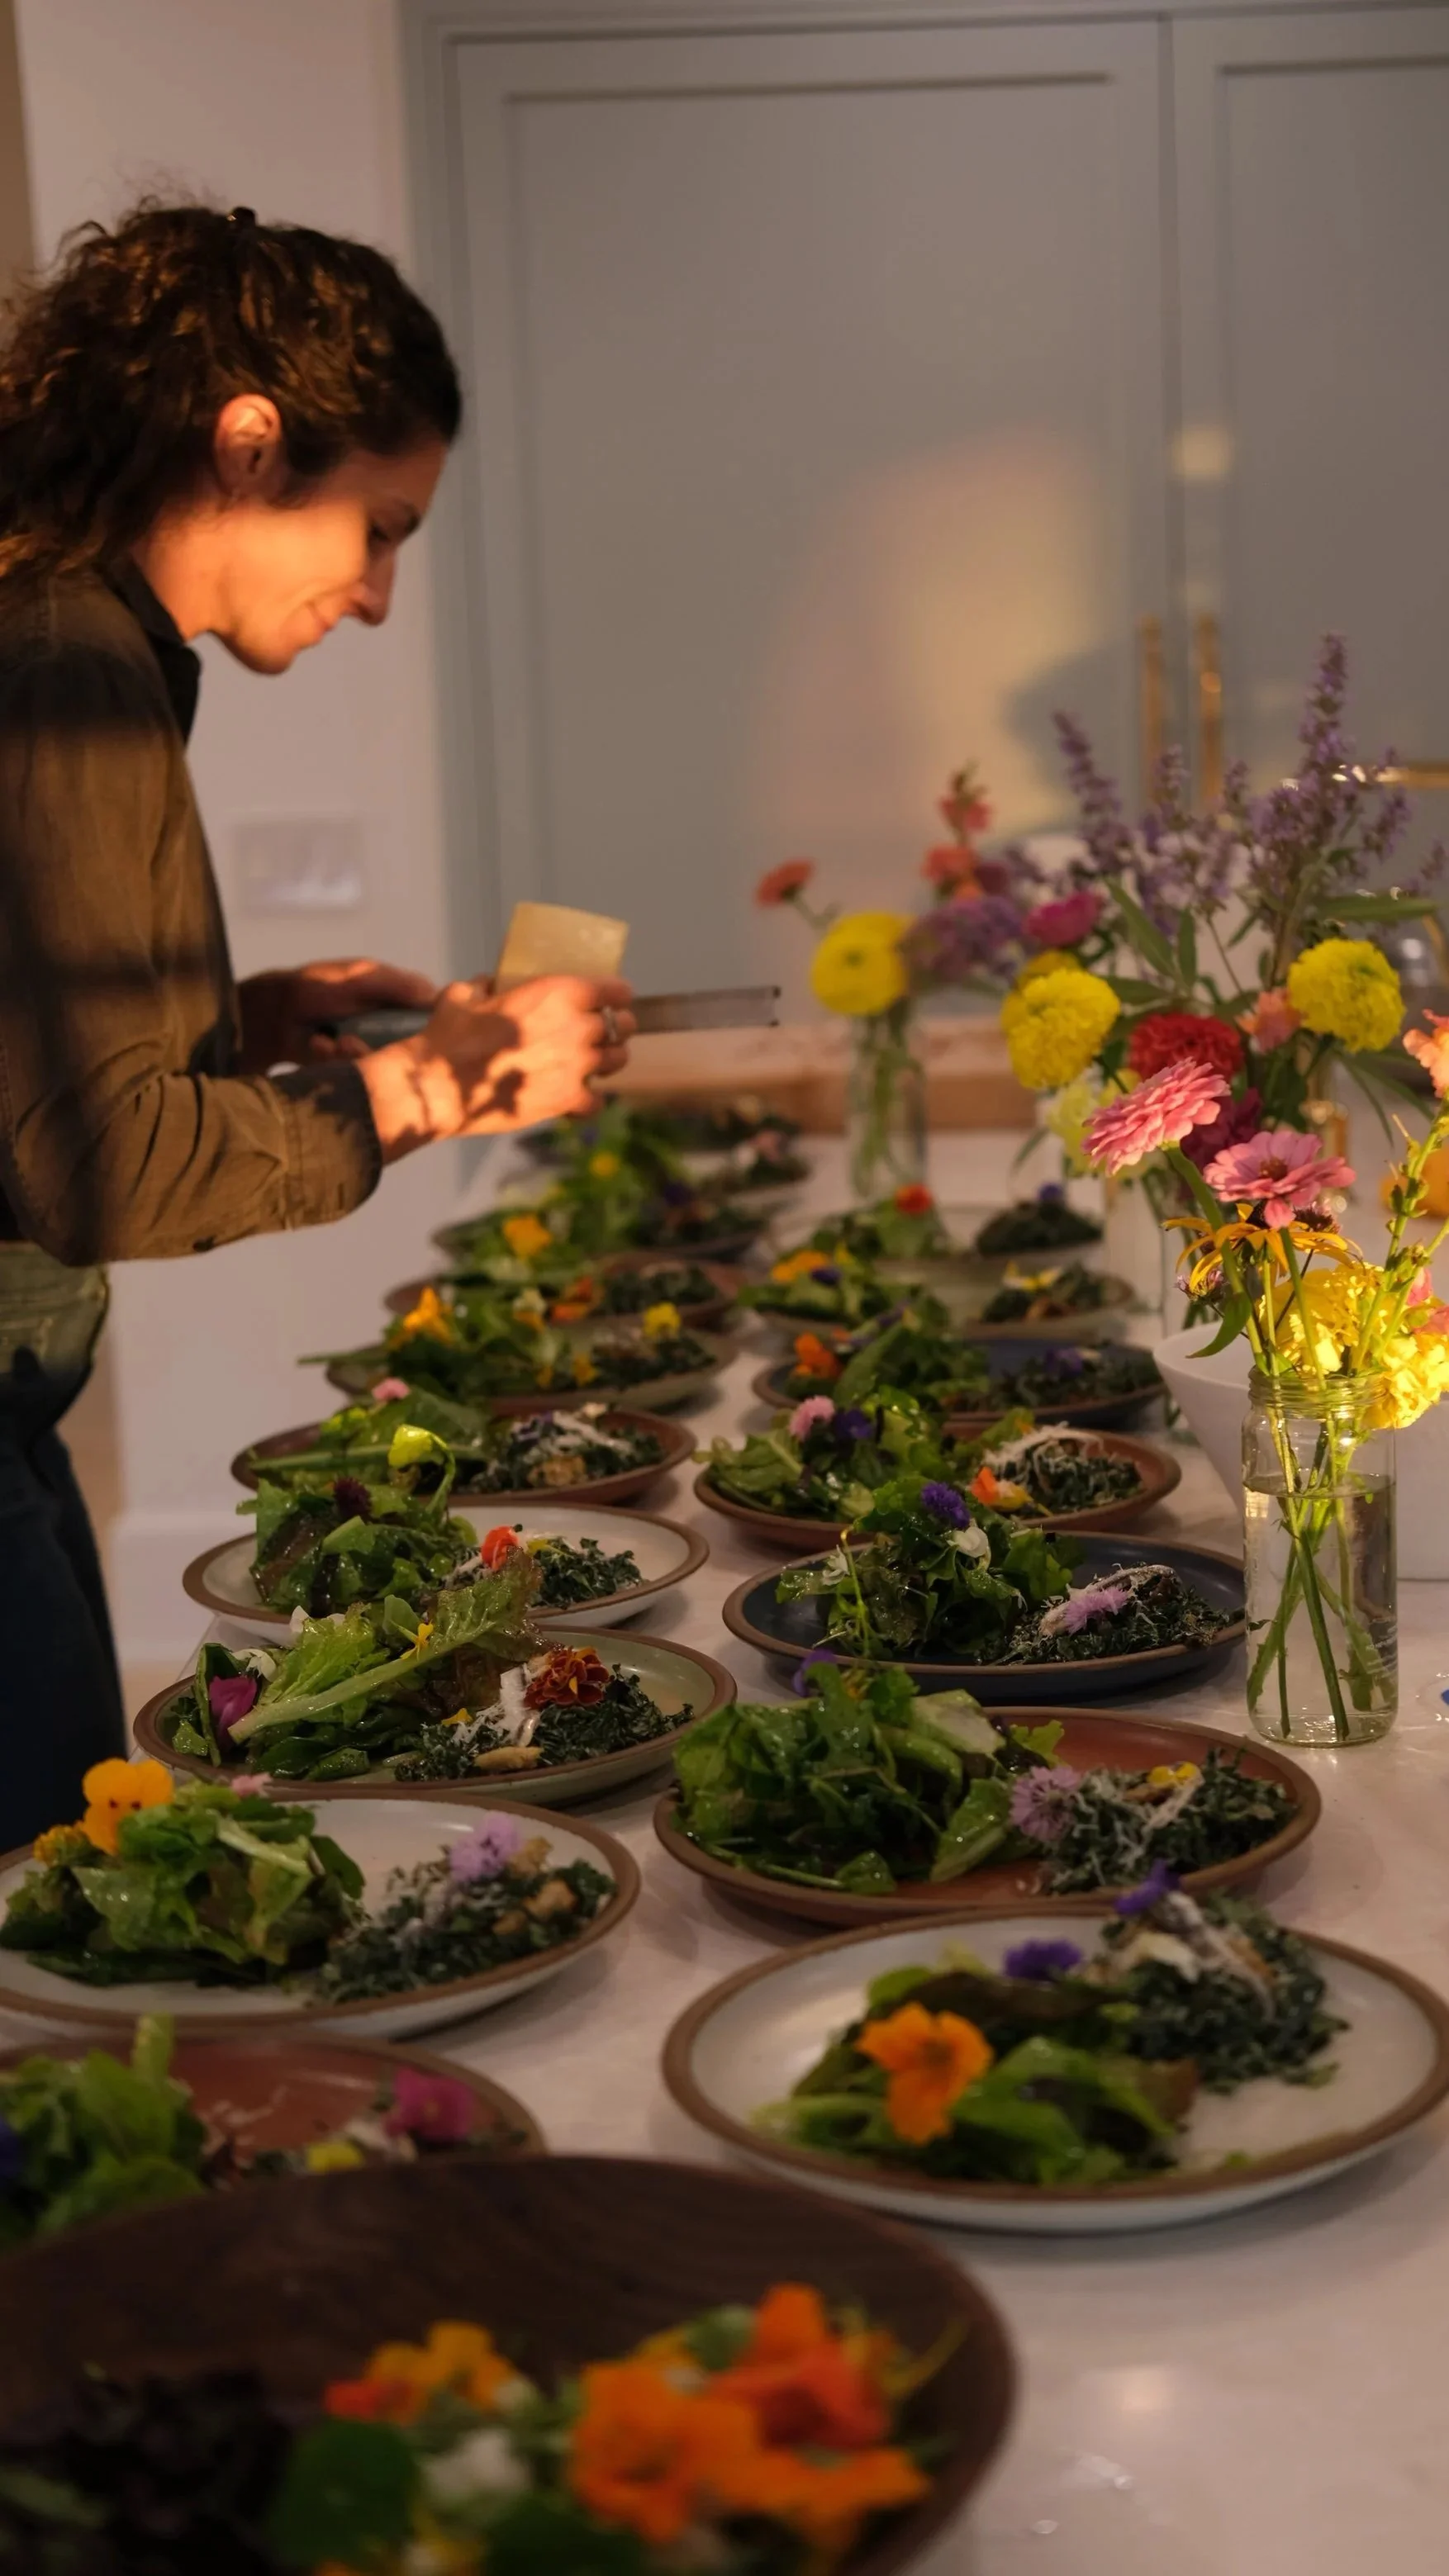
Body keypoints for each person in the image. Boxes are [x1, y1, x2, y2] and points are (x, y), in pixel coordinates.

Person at [0, 200, 634, 1843]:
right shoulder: (66, 662)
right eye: (382, 527)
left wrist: (244, 1016)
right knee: (54, 1916)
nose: (380, 594)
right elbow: (98, 1164)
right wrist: (435, 1086)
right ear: (248, 442)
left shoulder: (82, 633)